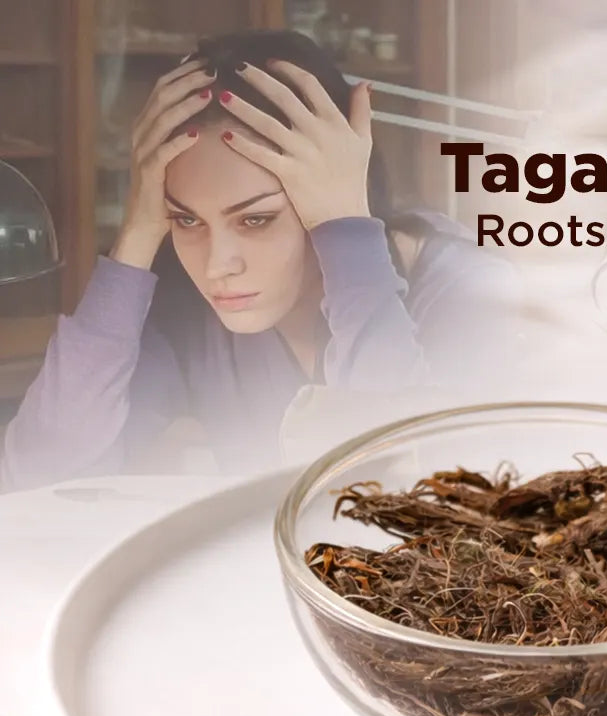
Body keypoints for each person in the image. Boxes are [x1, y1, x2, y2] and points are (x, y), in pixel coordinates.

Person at [1, 30, 519, 490]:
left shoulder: (475, 300)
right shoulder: (189, 314)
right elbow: (41, 483)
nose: (216, 265)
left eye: (255, 219)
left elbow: (409, 500)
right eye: (186, 220)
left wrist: (348, 234)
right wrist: (137, 232)